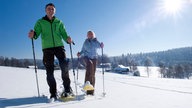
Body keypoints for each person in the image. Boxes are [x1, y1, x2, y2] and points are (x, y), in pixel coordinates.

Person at [28, 3, 73, 100]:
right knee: (49, 71)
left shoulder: (59, 22)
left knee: (64, 66)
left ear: (55, 11)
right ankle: (53, 93)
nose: (50, 10)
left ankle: (67, 89)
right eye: (49, 9)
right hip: (47, 48)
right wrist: (33, 34)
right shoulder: (40, 22)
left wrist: (68, 39)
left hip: (59, 47)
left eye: (52, 9)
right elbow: (36, 34)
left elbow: (64, 34)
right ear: (45, 10)